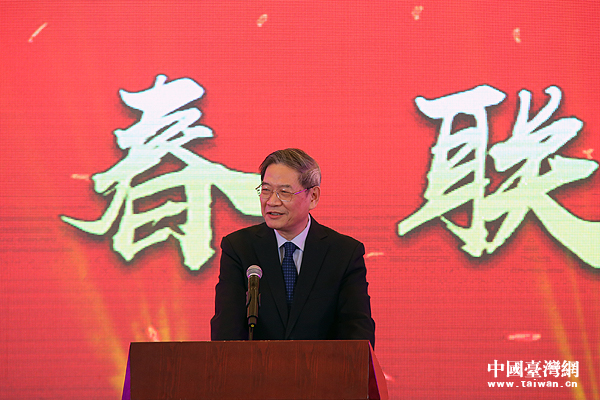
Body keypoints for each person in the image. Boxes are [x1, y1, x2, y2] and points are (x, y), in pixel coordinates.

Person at [210, 148, 375, 347]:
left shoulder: (344, 253)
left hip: (321, 367)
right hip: (256, 367)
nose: (272, 201)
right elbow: (226, 330)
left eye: (284, 192)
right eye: (266, 190)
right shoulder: (239, 248)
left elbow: (357, 333)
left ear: (313, 196)